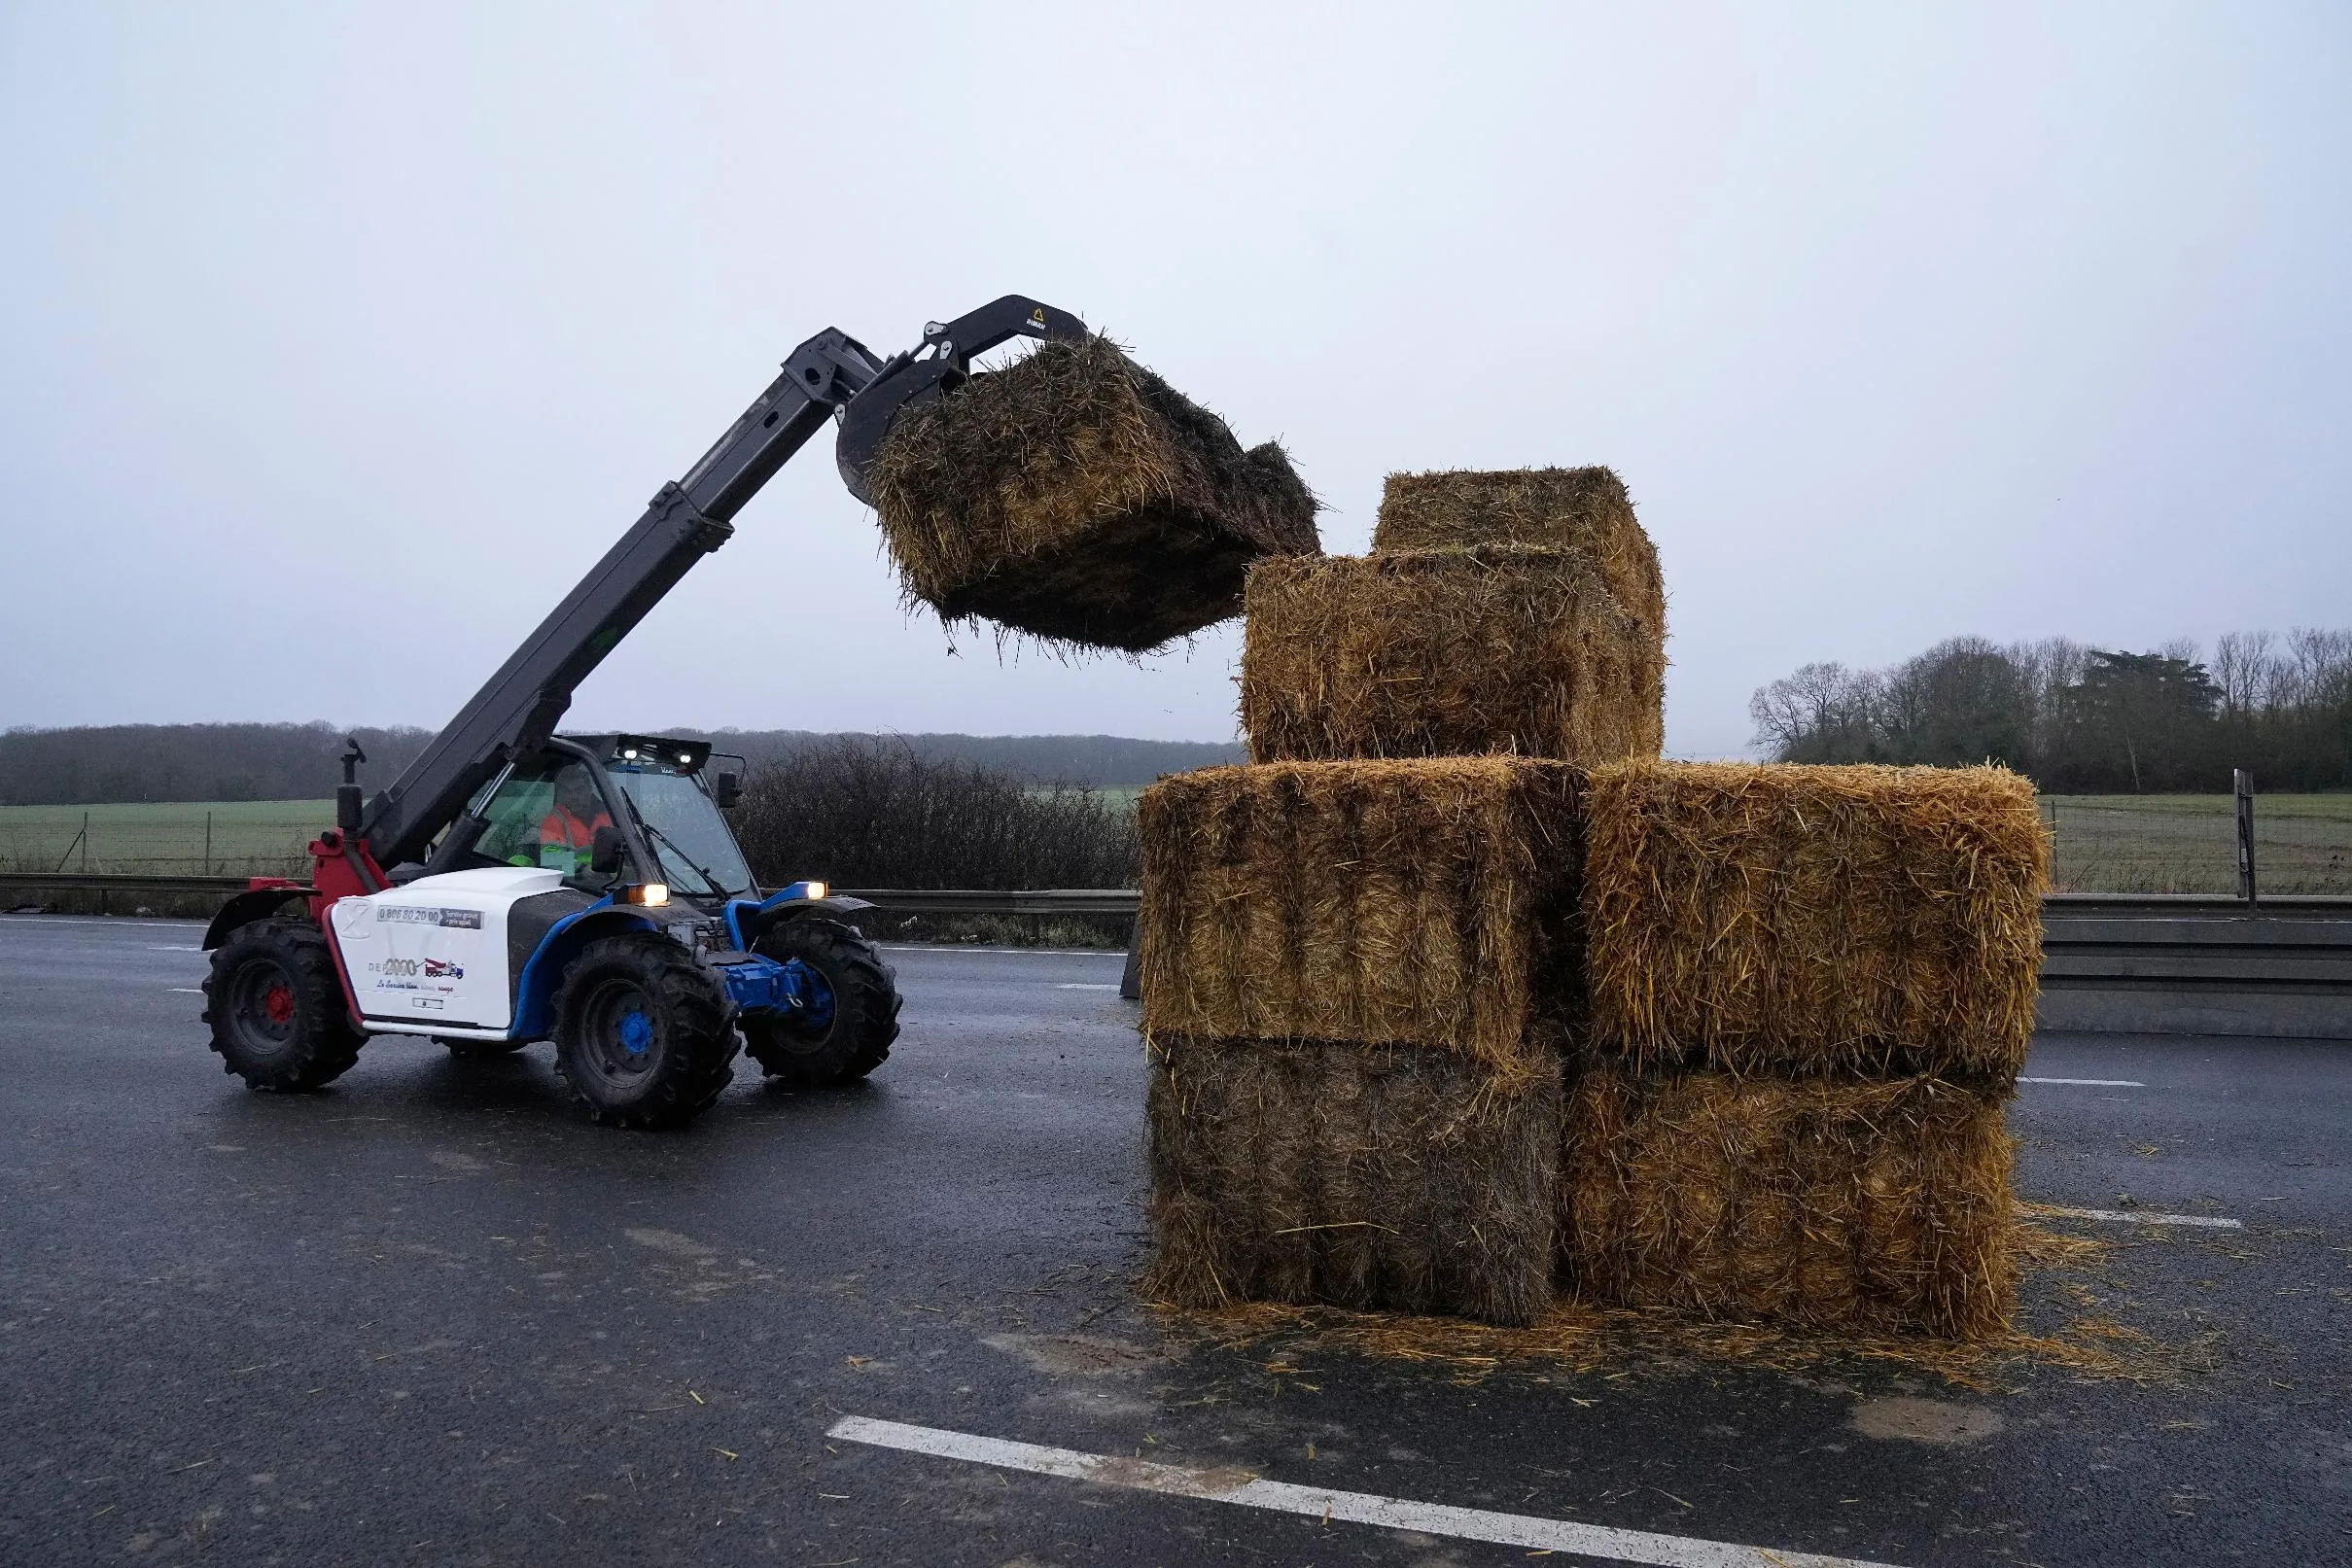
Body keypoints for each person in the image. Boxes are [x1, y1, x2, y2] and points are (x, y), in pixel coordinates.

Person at [537, 766, 614, 876]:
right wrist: (581, 869)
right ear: (562, 794)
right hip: (576, 884)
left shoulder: (610, 815)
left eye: (579, 790)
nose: (573, 796)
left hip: (612, 880)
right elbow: (551, 859)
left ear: (589, 789)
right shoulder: (555, 820)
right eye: (568, 792)